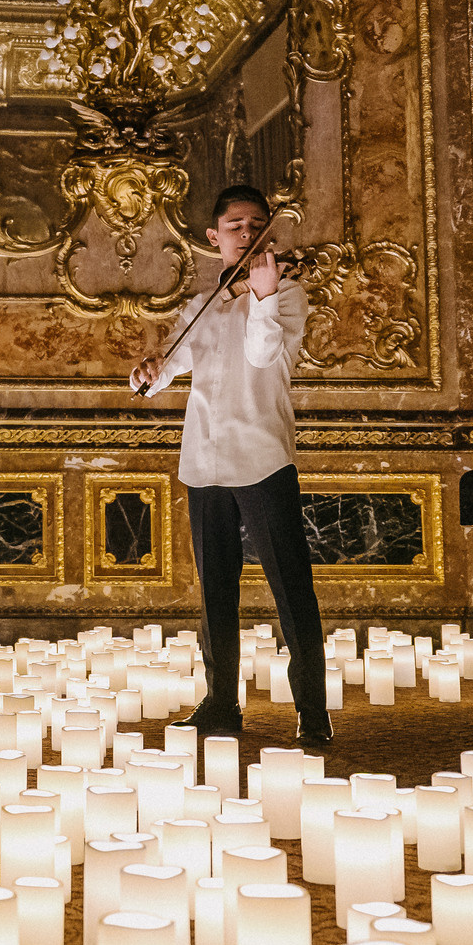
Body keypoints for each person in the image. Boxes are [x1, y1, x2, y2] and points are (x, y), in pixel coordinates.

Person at [130, 184, 328, 746]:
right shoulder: (202, 306)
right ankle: (221, 705)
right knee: (216, 589)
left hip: (262, 458)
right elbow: (170, 362)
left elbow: (265, 355)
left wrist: (262, 296)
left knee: (292, 588)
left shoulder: (287, 296)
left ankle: (312, 711)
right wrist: (149, 374)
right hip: (203, 464)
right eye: (236, 225)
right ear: (215, 237)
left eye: (257, 223)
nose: (247, 232)